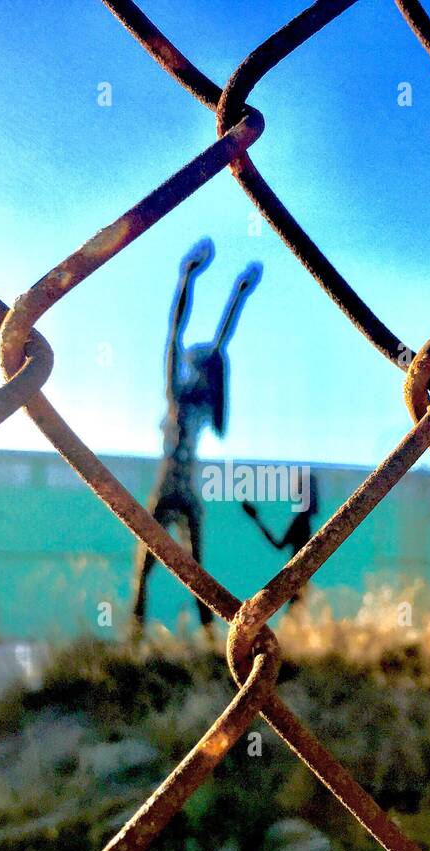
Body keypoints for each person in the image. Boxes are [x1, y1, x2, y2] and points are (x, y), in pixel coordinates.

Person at [132, 237, 261, 630]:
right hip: (171, 489)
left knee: (196, 573)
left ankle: (206, 637)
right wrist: (187, 277)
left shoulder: (198, 403)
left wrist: (239, 294)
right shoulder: (177, 396)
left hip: (184, 492)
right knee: (146, 570)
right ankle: (138, 632)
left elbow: (222, 340)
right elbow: (175, 334)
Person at [241, 470, 320, 607]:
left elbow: (278, 545)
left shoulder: (301, 521)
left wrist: (257, 519)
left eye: (300, 489)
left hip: (296, 579)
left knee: (294, 614)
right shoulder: (305, 521)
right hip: (300, 579)